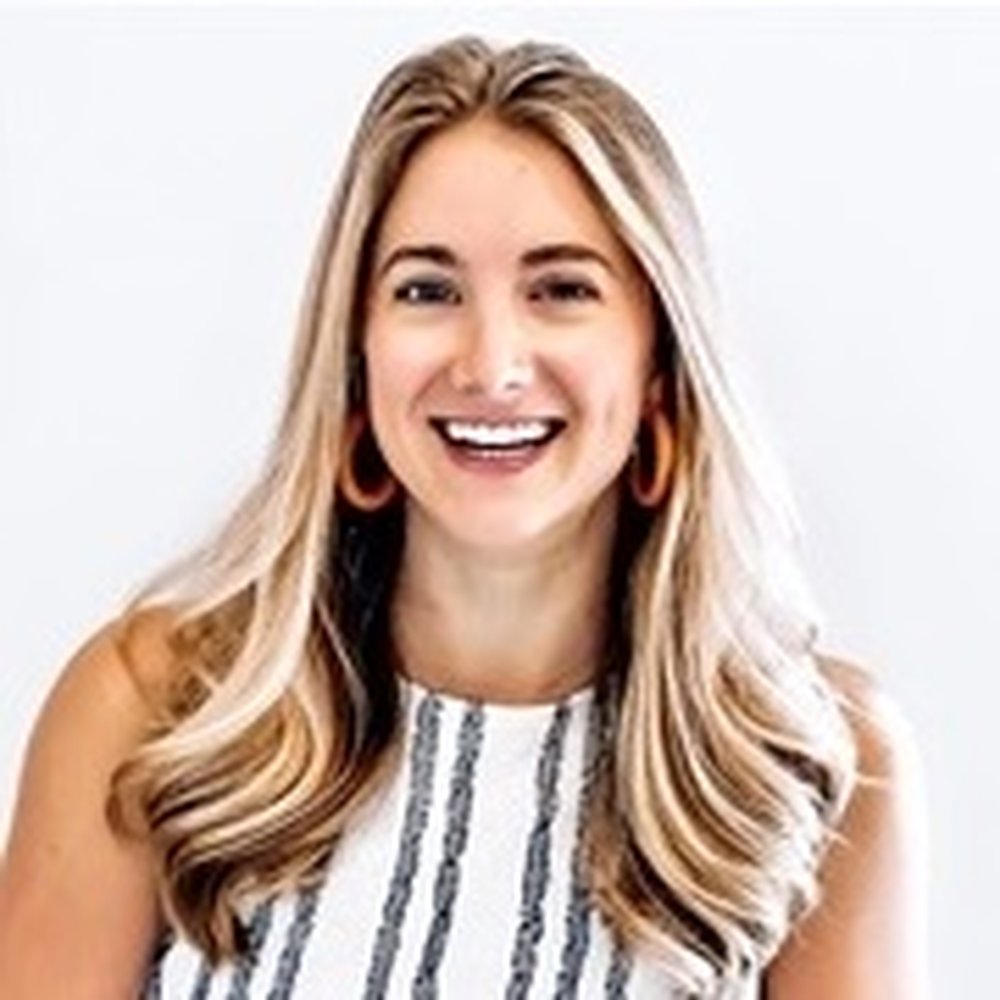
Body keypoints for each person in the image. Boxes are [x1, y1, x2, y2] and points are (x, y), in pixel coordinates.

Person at [0, 35, 928, 999]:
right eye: (428, 290)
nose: (492, 367)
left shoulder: (821, 769)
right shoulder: (154, 712)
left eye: (561, 290)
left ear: (659, 363)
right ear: (356, 354)